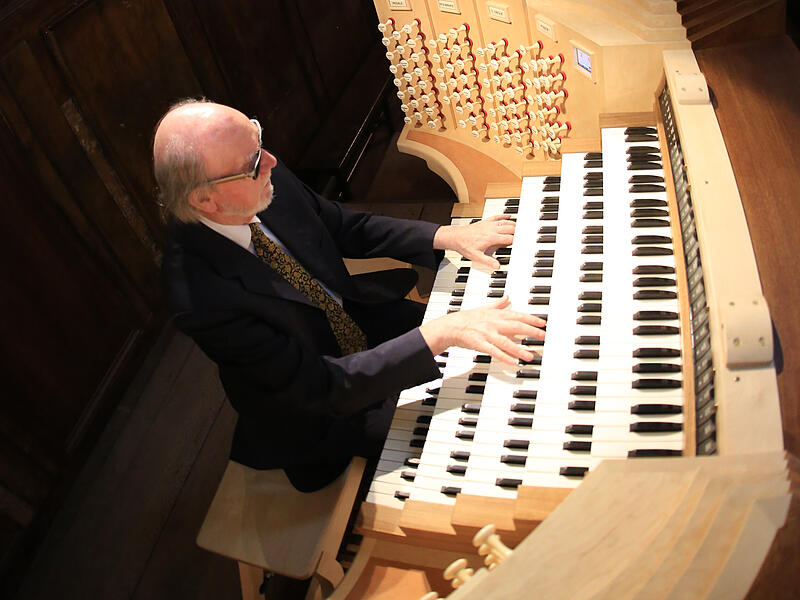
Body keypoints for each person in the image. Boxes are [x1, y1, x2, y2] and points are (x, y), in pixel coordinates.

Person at [155, 100, 545, 491]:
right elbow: (322, 387)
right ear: (206, 200)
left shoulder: (257, 174)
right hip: (319, 407)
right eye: (254, 162)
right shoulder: (199, 297)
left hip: (359, 323)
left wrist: (445, 236)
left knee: (507, 334)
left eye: (259, 142)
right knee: (475, 424)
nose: (271, 161)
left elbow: (341, 226)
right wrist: (441, 334)